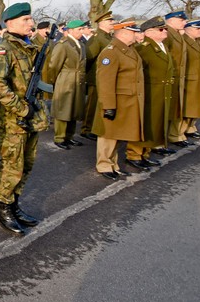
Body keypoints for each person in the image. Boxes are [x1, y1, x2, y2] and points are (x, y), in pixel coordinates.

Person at [0, 2, 49, 236]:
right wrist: (21, 108)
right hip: (15, 119)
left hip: (31, 117)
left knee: (27, 164)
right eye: (25, 20)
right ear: (10, 23)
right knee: (12, 165)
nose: (30, 23)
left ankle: (14, 205)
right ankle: (3, 209)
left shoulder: (27, 46)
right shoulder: (4, 49)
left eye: (30, 19)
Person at [93, 19, 144, 179]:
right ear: (124, 32)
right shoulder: (111, 51)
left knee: (117, 135)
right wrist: (108, 106)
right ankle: (104, 165)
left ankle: (113, 164)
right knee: (108, 135)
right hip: (116, 100)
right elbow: (105, 82)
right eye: (134, 31)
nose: (137, 34)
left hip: (127, 100)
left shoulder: (128, 49)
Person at [125, 16, 175, 168]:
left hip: (161, 91)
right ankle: (134, 154)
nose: (165, 31)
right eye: (162, 29)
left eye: (165, 28)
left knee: (154, 124)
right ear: (149, 32)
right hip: (149, 92)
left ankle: (145, 154)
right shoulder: (144, 49)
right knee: (144, 124)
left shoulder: (162, 46)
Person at [46, 19, 87, 149]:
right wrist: (56, 81)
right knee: (63, 109)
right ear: (70, 31)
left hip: (77, 80)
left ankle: (69, 136)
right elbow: (53, 66)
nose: (82, 31)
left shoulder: (80, 44)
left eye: (82, 29)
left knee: (74, 109)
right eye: (79, 29)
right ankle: (60, 137)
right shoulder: (63, 44)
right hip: (66, 80)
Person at [83, 11, 115, 140]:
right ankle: (87, 128)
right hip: (95, 77)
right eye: (109, 21)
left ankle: (94, 127)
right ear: (102, 23)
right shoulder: (97, 38)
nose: (112, 23)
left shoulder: (108, 37)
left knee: (99, 105)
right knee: (92, 104)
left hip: (104, 78)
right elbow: (89, 57)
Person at [164, 10, 191, 147]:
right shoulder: (167, 34)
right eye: (182, 20)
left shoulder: (177, 34)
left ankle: (174, 135)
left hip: (179, 76)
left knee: (175, 109)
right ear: (172, 20)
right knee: (167, 110)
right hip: (170, 77)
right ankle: (164, 140)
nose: (185, 22)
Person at [182, 19, 200, 140]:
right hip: (190, 79)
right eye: (197, 29)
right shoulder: (185, 42)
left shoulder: (197, 41)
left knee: (196, 106)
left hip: (198, 78)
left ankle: (190, 128)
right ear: (189, 30)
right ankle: (179, 133)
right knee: (189, 107)